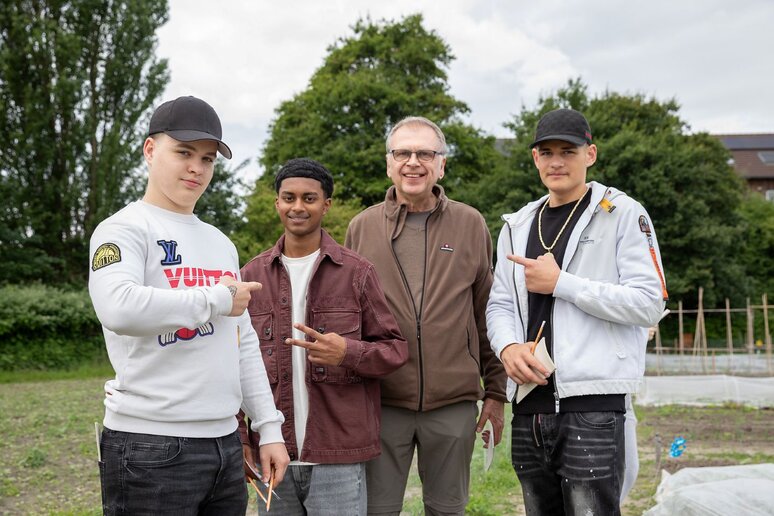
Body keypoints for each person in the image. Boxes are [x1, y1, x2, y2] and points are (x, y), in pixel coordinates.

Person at [88, 96, 289, 515]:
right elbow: (118, 307)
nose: (197, 168)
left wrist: (268, 427)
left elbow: (243, 342)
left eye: (208, 158)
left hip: (224, 445)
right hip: (149, 446)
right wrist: (216, 298)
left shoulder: (220, 242)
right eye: (183, 152)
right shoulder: (123, 229)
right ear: (150, 149)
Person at [486, 108, 668, 515]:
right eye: (546, 152)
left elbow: (650, 302)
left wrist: (562, 283)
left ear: (591, 154)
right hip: (529, 403)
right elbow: (499, 303)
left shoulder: (622, 214)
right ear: (534, 159)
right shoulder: (516, 224)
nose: (556, 162)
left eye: (568, 151)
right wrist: (508, 348)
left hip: (592, 403)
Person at [345, 116, 508, 515]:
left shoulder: (470, 223)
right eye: (403, 152)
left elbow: (487, 310)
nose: (413, 162)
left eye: (425, 153)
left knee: (447, 509)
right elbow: (349, 317)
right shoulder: (361, 228)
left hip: (452, 403)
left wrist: (496, 392)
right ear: (389, 163)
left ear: (441, 164)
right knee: (377, 510)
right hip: (381, 401)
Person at [239, 158, 409, 515]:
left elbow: (395, 350)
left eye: (309, 198)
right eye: (288, 198)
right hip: (273, 453)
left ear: (326, 205)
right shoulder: (251, 276)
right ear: (277, 203)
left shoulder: (357, 273)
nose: (297, 207)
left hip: (338, 458)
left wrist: (347, 352)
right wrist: (243, 439)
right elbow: (235, 365)